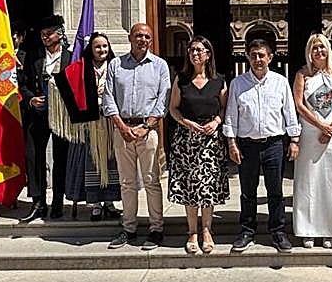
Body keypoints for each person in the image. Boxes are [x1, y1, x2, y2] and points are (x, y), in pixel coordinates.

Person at [224, 38, 301, 253]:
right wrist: (232, 143)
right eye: (254, 55)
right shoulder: (237, 84)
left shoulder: (280, 82)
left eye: (262, 55)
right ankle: (247, 231)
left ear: (270, 57)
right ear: (248, 57)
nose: (258, 59)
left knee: (275, 191)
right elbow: (231, 116)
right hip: (247, 145)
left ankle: (277, 232)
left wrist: (294, 140)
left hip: (274, 144)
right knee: (248, 192)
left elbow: (289, 113)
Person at [103, 23, 171, 249]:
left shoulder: (160, 66)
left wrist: (147, 126)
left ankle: (156, 228)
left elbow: (163, 100)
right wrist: (121, 127)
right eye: (138, 35)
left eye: (147, 37)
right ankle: (129, 228)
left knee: (152, 181)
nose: (143, 39)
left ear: (151, 41)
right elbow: (108, 98)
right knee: (127, 182)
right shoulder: (116, 65)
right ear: (130, 38)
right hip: (122, 130)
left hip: (148, 131)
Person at [167, 35, 228, 254]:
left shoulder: (219, 80)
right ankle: (192, 231)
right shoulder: (181, 80)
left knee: (207, 186)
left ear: (208, 54)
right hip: (187, 139)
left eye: (199, 50)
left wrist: (216, 122)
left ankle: (207, 230)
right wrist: (187, 123)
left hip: (210, 141)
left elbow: (224, 108)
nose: (195, 54)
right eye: (192, 50)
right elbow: (173, 108)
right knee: (190, 187)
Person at [292, 33, 332, 248]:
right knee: (308, 180)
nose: (319, 52)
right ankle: (308, 229)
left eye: (322, 48)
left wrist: (331, 127)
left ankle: (330, 229)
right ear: (309, 51)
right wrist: (320, 126)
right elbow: (299, 104)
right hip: (309, 133)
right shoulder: (302, 74)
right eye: (315, 48)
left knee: (330, 180)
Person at [61, 32, 121, 222]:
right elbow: (65, 80)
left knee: (112, 162)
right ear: (91, 49)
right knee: (92, 162)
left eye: (105, 46)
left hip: (111, 124)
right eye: (98, 47)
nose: (102, 50)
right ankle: (95, 205)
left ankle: (110, 203)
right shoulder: (82, 68)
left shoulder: (116, 67)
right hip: (89, 125)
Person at [18, 15, 69, 223]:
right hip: (37, 115)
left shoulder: (71, 56)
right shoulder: (34, 57)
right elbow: (23, 84)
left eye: (48, 34)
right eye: (42, 34)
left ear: (59, 34)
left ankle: (58, 200)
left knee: (60, 158)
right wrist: (30, 100)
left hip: (61, 115)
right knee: (34, 156)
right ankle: (38, 202)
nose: (45, 37)